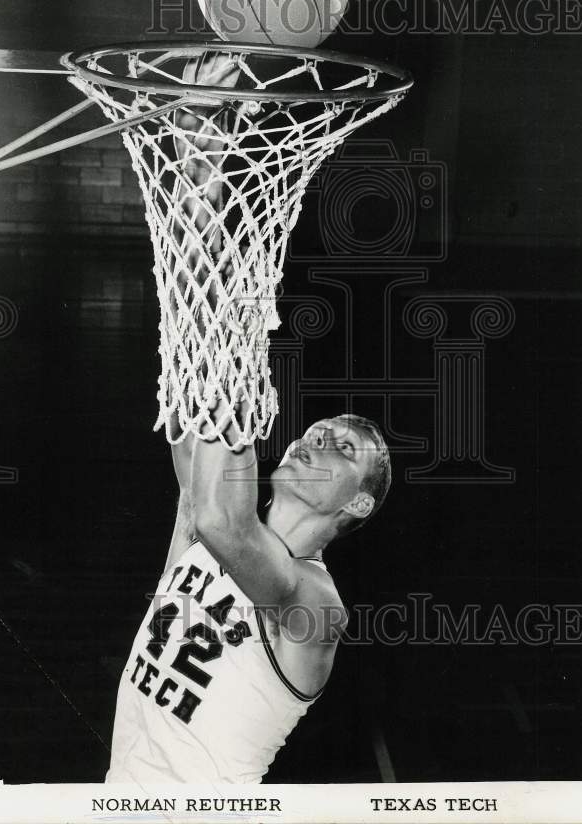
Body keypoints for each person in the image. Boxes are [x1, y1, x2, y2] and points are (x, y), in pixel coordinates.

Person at [105, 56, 392, 785]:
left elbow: (222, 520)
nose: (315, 436)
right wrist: (201, 169)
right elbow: (194, 382)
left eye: (343, 447)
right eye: (318, 429)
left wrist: (244, 367)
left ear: (358, 502)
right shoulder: (206, 527)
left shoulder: (315, 609)